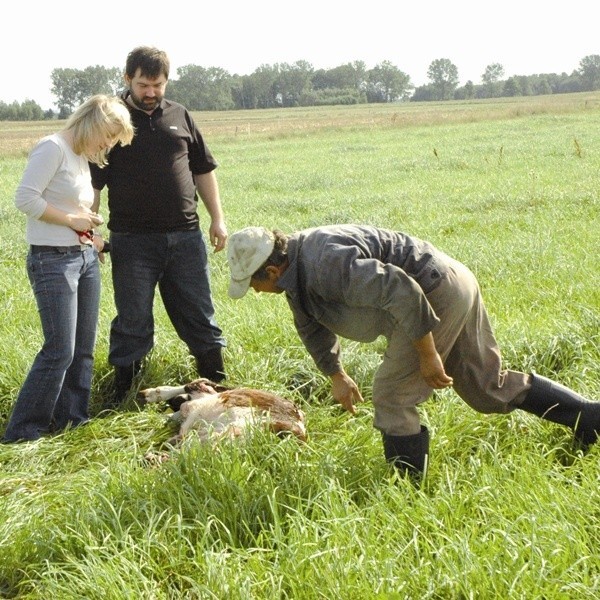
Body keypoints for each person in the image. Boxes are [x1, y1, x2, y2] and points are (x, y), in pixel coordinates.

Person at [226, 224, 600, 479]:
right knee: (486, 388)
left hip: (434, 294)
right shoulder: (296, 270)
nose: (255, 292)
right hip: (451, 282)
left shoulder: (324, 263)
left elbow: (400, 290)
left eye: (252, 284)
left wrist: (428, 353)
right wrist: (336, 374)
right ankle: (590, 419)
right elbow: (309, 323)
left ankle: (407, 490)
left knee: (391, 394)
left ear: (271, 272)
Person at [90, 46, 228, 406]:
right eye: (143, 85)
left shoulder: (180, 115)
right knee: (133, 320)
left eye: (158, 85)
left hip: (185, 237)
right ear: (127, 79)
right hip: (132, 242)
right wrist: (92, 232)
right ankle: (124, 394)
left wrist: (218, 218)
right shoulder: (112, 121)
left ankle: (218, 387)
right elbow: (94, 181)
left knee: (199, 314)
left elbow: (203, 169)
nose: (151, 92)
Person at [2, 95, 134, 443]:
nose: (108, 144)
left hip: (83, 258)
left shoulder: (79, 156)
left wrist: (91, 233)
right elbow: (25, 199)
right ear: (91, 122)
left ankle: (72, 422)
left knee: (83, 349)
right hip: (52, 261)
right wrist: (72, 218)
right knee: (59, 350)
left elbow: (69, 207)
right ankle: (22, 435)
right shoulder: (52, 148)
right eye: (107, 135)